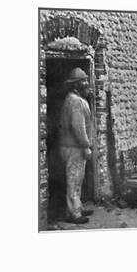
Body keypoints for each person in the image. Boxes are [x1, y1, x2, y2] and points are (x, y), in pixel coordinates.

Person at [58, 67, 94, 223]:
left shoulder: (72, 99)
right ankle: (74, 214)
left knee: (77, 179)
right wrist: (86, 146)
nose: (87, 83)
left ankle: (76, 207)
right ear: (76, 85)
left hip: (71, 146)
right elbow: (78, 127)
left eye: (86, 80)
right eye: (83, 81)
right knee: (74, 179)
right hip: (75, 147)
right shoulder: (76, 102)